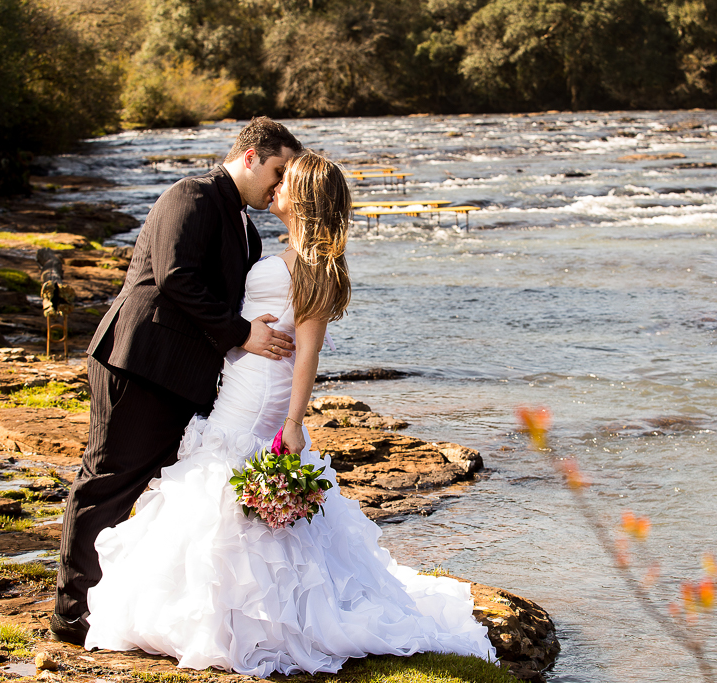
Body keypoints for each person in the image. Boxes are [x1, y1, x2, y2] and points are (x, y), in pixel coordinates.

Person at [82, 151, 496, 675]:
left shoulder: (312, 265)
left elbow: (309, 353)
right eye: (277, 175)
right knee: (219, 488)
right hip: (242, 380)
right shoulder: (276, 248)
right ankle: (224, 611)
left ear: (305, 198)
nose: (276, 186)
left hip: (260, 394)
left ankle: (243, 618)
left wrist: (294, 422)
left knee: (226, 485)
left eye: (286, 181)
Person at [52, 118, 303, 645]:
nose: (280, 185)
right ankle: (71, 614)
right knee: (107, 484)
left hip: (184, 378)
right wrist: (243, 334)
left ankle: (120, 605)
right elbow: (174, 276)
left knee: (159, 493)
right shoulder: (192, 194)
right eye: (278, 171)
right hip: (140, 362)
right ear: (251, 157)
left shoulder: (247, 229)